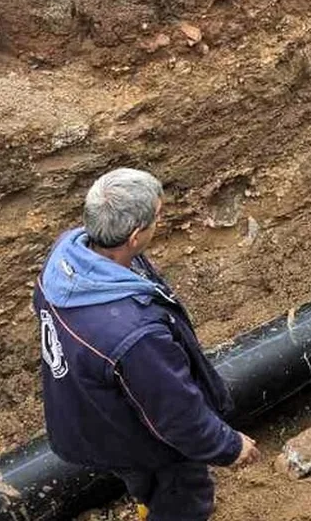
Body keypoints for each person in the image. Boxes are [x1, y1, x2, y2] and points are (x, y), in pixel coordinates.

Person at [33, 168, 259, 521]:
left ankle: (145, 498)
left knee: (141, 480)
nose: (160, 221)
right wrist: (229, 447)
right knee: (184, 497)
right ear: (135, 236)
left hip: (85, 417)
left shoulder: (67, 257)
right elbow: (175, 414)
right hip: (131, 439)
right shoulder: (134, 335)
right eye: (158, 217)